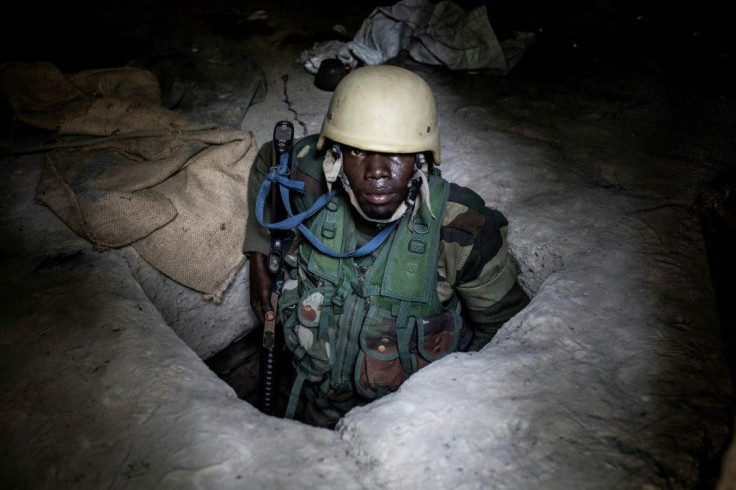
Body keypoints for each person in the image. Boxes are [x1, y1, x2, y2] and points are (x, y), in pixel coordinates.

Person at [244, 65, 529, 428]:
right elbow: (268, 161)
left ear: (422, 157)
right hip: (307, 407)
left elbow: (509, 332)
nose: (376, 170)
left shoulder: (461, 229)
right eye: (359, 152)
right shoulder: (314, 179)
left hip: (406, 431)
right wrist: (258, 258)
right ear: (336, 155)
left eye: (397, 153)